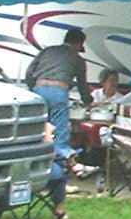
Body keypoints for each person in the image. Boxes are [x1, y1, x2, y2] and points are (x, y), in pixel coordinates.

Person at [26, 28, 94, 198]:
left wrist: (34, 88)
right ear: (79, 43)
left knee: (39, 134)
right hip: (58, 94)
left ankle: (33, 177)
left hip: (38, 91)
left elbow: (29, 72)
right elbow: (83, 86)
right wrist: (89, 102)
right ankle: (61, 181)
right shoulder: (78, 60)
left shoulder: (47, 51)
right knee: (60, 137)